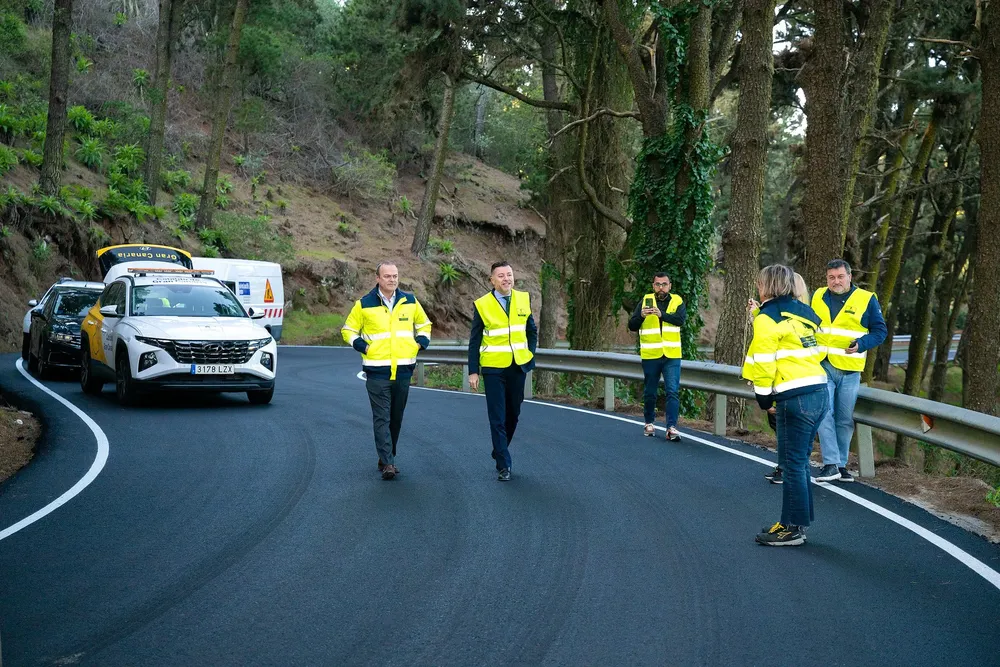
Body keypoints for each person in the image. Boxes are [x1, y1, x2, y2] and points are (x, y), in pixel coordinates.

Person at [743, 265, 828, 546]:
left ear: (766, 286)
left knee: (792, 465)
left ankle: (791, 530)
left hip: (794, 398)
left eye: (759, 283)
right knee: (799, 463)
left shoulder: (768, 318)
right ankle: (796, 523)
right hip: (818, 392)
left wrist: (764, 398)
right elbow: (819, 350)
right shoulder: (805, 314)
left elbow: (766, 362)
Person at [342, 262, 432, 480]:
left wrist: (420, 342)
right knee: (381, 417)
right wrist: (364, 347)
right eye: (387, 276)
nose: (392, 279)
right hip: (377, 371)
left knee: (396, 418)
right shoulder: (364, 304)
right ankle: (389, 464)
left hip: (403, 370)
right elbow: (348, 330)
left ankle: (386, 456)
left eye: (395, 276)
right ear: (378, 279)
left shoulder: (409, 301)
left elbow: (424, 324)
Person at [811, 259, 887, 483]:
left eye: (840, 277)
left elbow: (880, 331)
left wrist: (861, 344)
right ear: (827, 278)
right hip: (822, 365)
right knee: (824, 413)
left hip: (850, 370)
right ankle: (831, 463)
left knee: (844, 419)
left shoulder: (866, 299)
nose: (836, 281)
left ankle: (841, 465)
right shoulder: (817, 296)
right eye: (831, 277)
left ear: (850, 277)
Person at [467, 261, 538, 481]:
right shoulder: (482, 304)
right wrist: (473, 371)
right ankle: (504, 465)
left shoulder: (523, 299)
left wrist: (530, 353)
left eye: (509, 274)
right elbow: (475, 340)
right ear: (492, 280)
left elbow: (531, 331)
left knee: (513, 413)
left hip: (518, 366)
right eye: (501, 275)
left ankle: (499, 449)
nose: (506, 279)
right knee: (496, 416)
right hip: (493, 368)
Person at [751, 272, 810, 485]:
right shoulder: (800, 314)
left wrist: (764, 396)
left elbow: (767, 357)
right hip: (799, 385)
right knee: (785, 431)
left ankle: (789, 471)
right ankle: (786, 469)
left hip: (790, 386)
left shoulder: (779, 316)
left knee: (790, 435)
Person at [628, 272, 686, 441]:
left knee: (672, 391)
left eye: (664, 284)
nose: (661, 288)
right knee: (650, 392)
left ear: (670, 285)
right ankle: (649, 423)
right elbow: (632, 325)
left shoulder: (677, 301)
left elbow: (680, 320)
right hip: (651, 354)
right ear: (653, 286)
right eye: (658, 284)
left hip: (672, 355)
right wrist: (641, 316)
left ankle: (671, 427)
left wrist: (662, 315)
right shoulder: (645, 302)